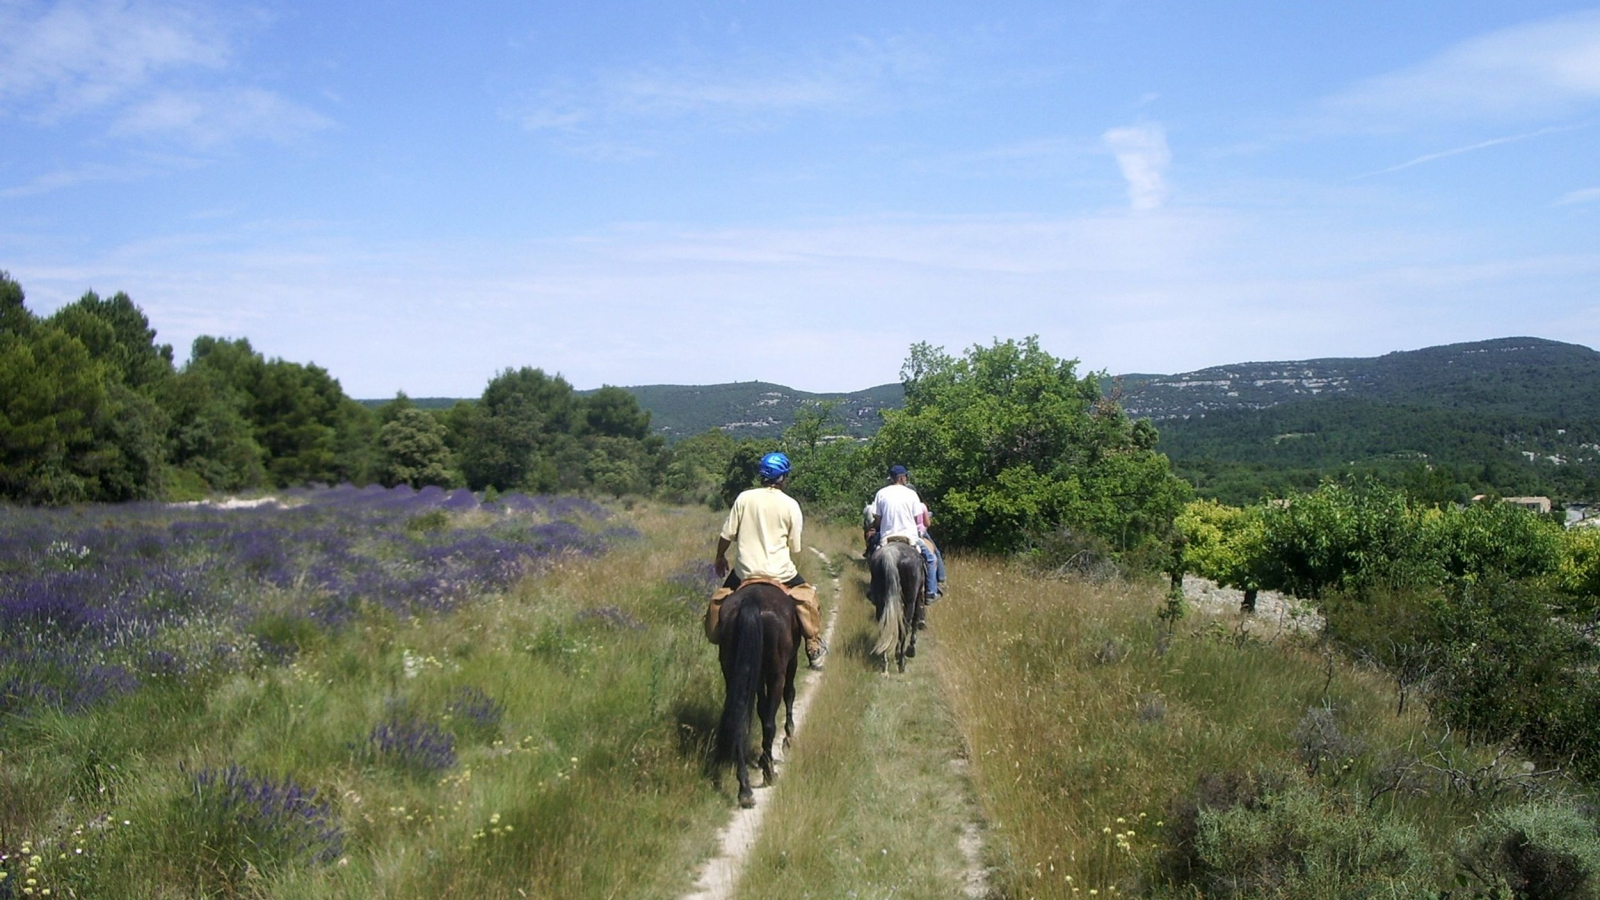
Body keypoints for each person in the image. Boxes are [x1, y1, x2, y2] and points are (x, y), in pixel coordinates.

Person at [706, 451, 827, 670]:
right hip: (781, 573)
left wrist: (720, 557)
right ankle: (813, 647)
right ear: (783, 477)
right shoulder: (791, 505)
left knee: (719, 602)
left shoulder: (744, 498)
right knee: (809, 598)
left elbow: (726, 536)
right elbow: (794, 547)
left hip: (744, 572)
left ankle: (722, 641)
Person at [870, 465, 941, 602]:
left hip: (887, 537)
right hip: (910, 537)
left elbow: (877, 520)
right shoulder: (912, 494)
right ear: (902, 478)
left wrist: (875, 527)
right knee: (931, 560)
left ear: (890, 478)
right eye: (906, 477)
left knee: (873, 558)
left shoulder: (881, 493)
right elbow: (916, 519)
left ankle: (873, 591)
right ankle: (930, 593)